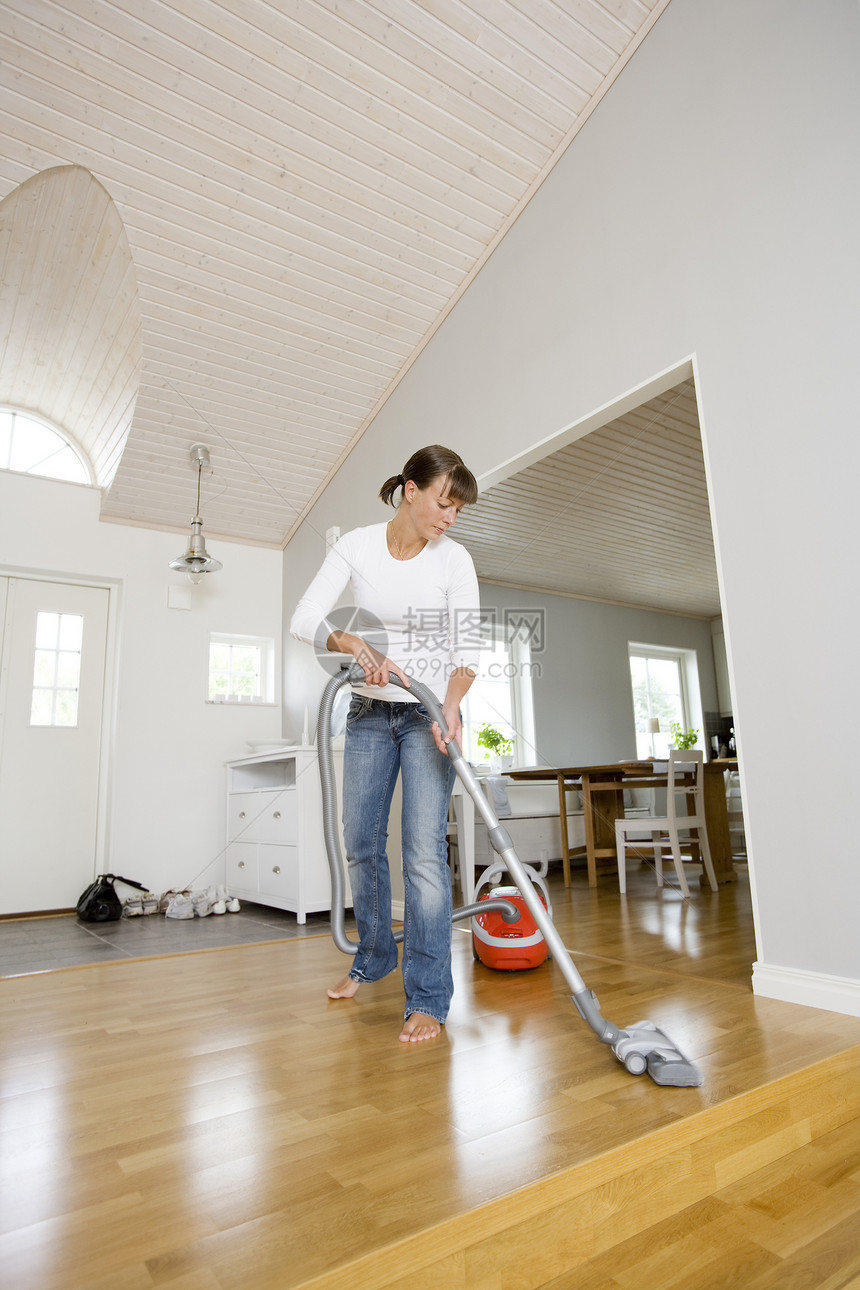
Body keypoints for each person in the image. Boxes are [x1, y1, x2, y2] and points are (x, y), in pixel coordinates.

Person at [290, 445, 481, 1042]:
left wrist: (447, 709)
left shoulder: (455, 561)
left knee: (422, 855)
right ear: (410, 491)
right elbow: (305, 619)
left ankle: (428, 996)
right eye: (443, 504)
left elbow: (466, 649)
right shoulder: (358, 547)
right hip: (370, 712)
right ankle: (373, 957)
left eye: (457, 510)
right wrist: (354, 645)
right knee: (360, 842)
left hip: (428, 716)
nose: (449, 518)